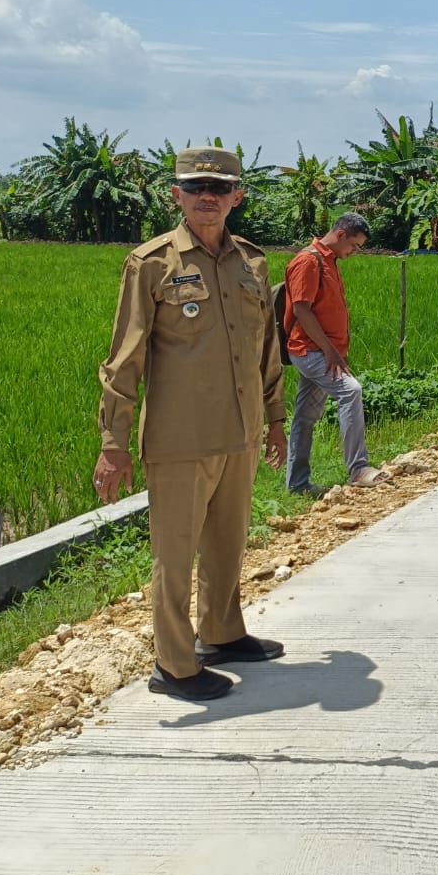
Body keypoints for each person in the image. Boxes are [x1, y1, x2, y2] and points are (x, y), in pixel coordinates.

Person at [94, 146, 288, 703]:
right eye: (197, 187)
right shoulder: (151, 264)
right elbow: (123, 358)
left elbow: (266, 349)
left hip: (241, 432)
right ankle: (174, 665)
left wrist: (275, 419)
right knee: (175, 556)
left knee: (228, 542)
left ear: (237, 197)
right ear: (176, 196)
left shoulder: (252, 263)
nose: (208, 196)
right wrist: (113, 443)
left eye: (219, 188)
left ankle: (221, 633)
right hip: (180, 438)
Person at [283, 212, 390, 496]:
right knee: (350, 391)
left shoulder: (329, 260)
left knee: (305, 416)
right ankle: (359, 469)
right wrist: (330, 352)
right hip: (309, 350)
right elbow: (301, 310)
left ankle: (297, 484)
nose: (355, 251)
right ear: (341, 234)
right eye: (354, 245)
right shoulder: (308, 261)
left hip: (323, 350)